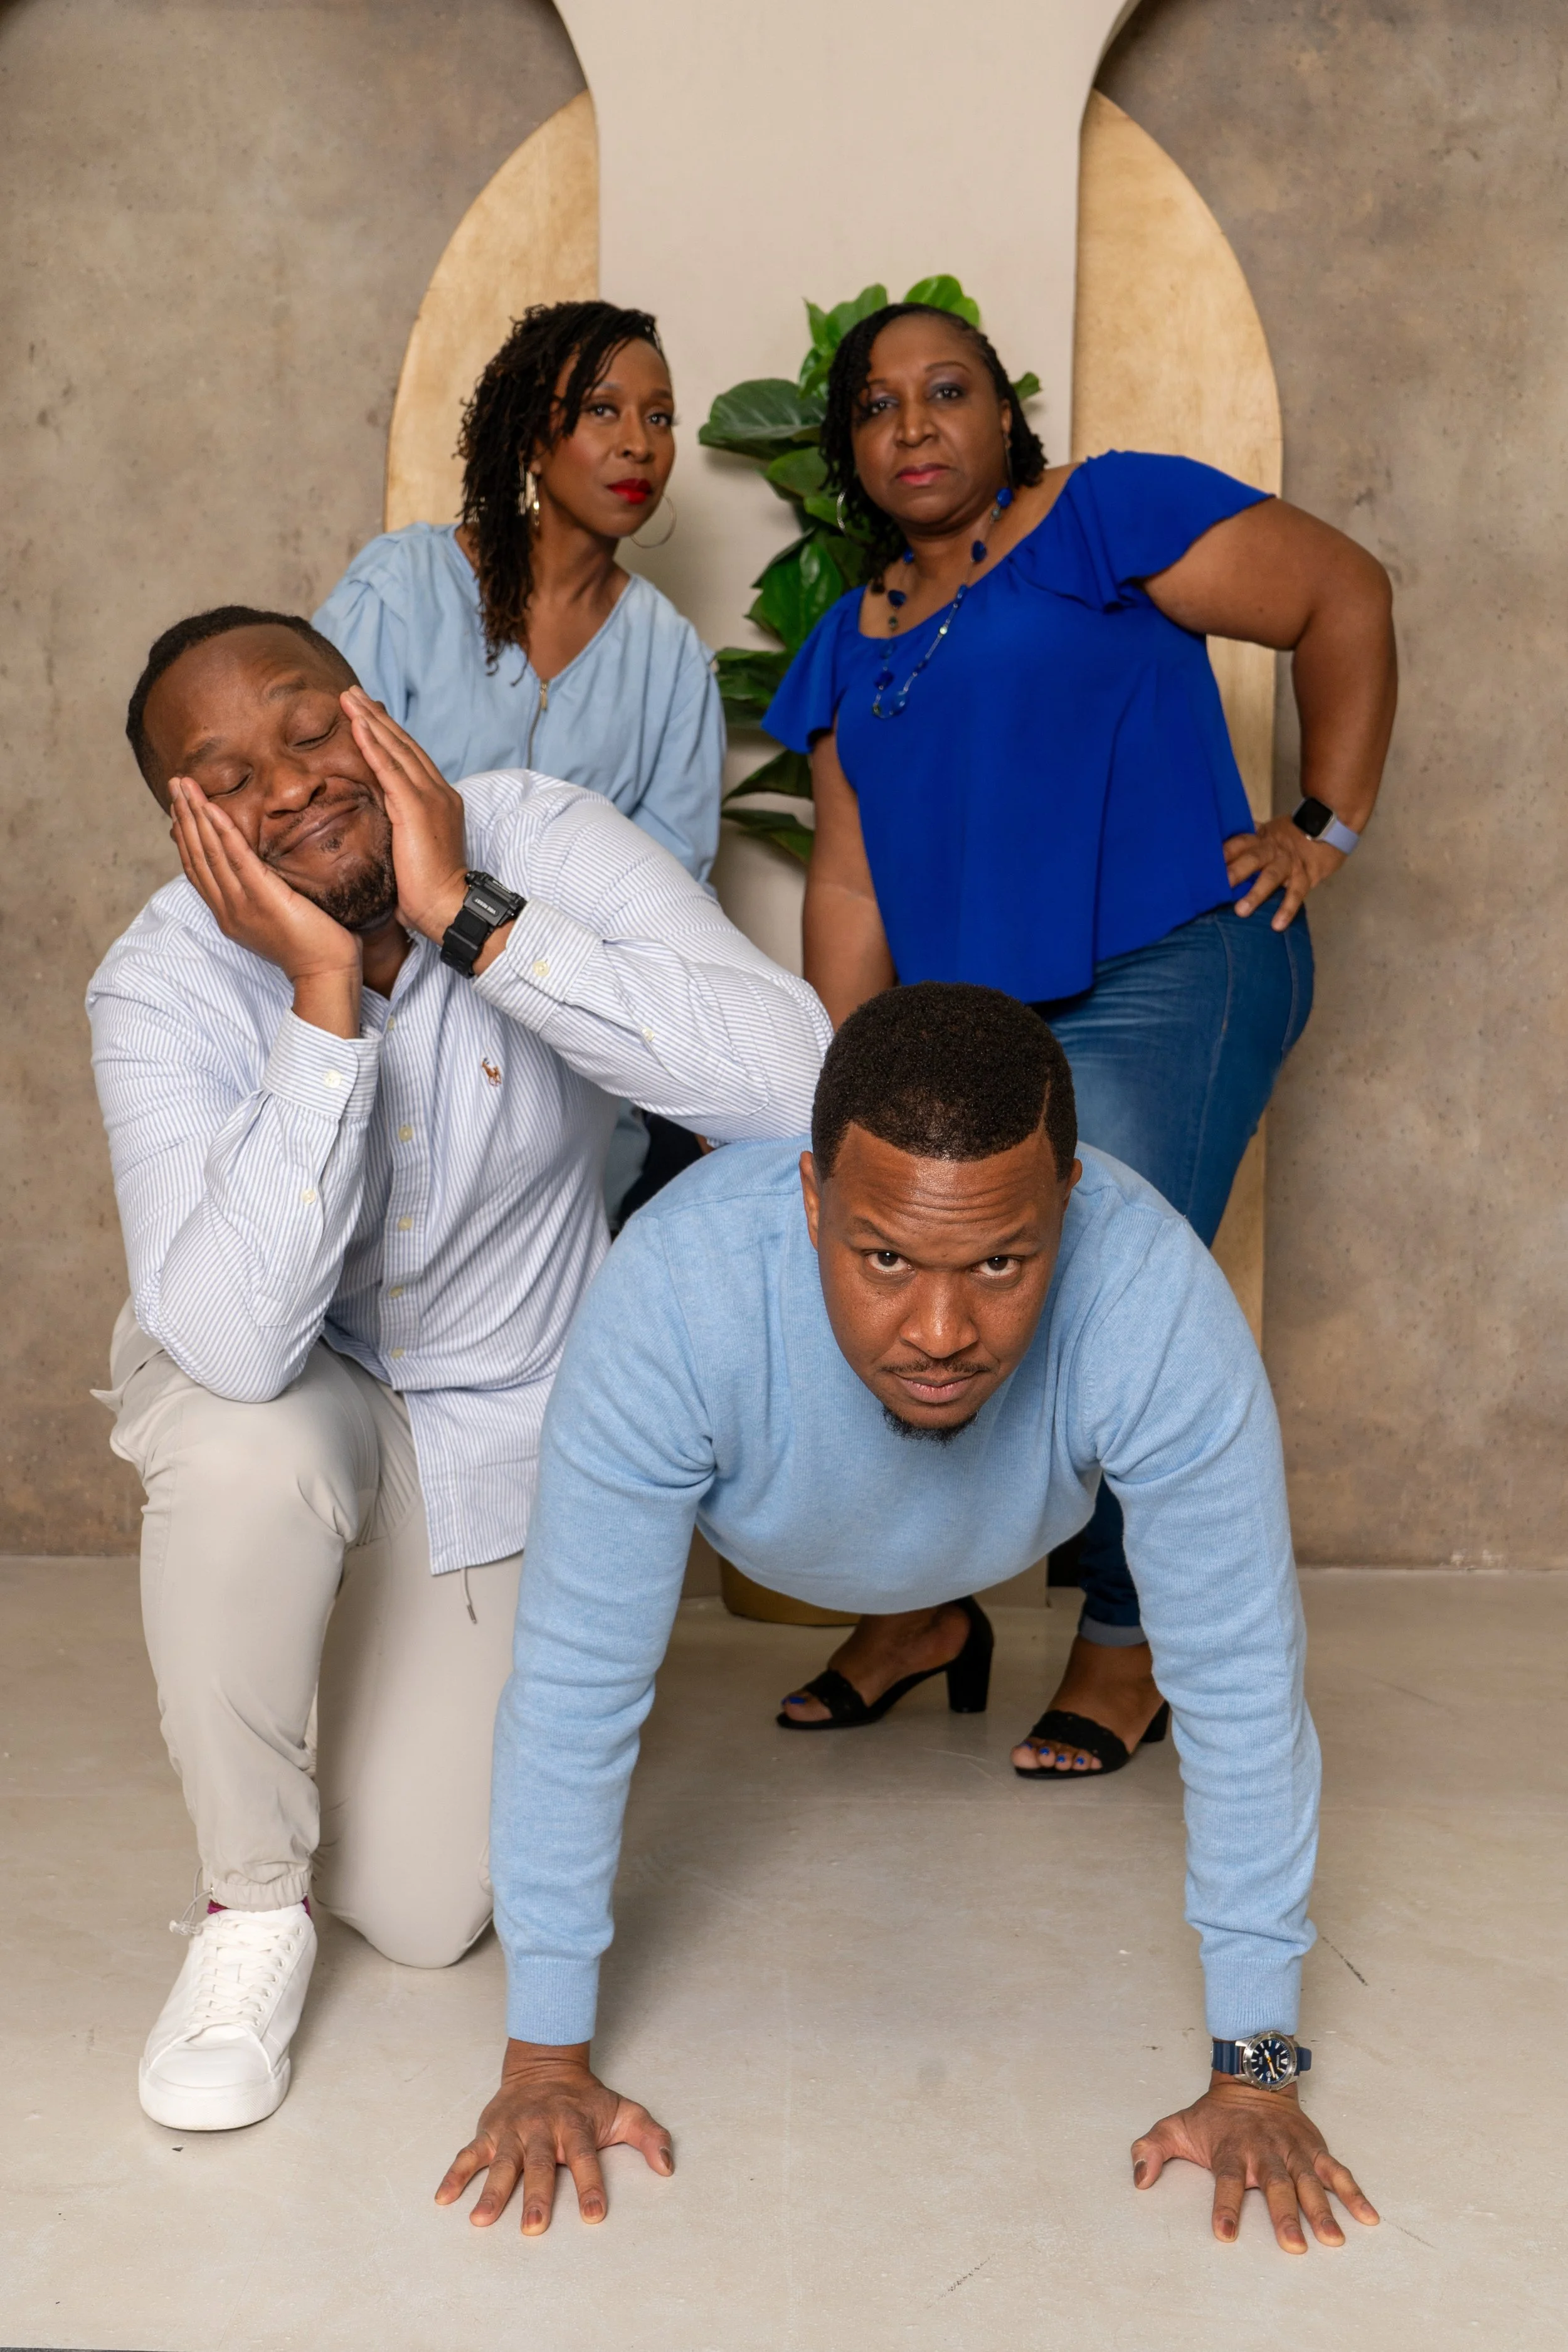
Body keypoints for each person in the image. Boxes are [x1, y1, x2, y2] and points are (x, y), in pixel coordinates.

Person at [443, 985, 1379, 2254]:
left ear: (1068, 1208)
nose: (941, 1334)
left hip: (1003, 1518)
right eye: (884, 1258)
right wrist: (543, 2061)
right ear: (811, 1198)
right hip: (767, 1517)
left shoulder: (1154, 1295)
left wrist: (1256, 2075)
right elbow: (574, 1690)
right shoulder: (673, 1289)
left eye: (1001, 1263)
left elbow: (1241, 1686)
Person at [87, 606, 829, 2134]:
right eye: (227, 779)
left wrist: (466, 916)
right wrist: (321, 1002)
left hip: (500, 1416)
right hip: (296, 1388)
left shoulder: (538, 836)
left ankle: (324, 1670)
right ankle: (249, 1909)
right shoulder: (156, 984)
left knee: (426, 1913)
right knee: (245, 1446)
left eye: (310, 730)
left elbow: (795, 1083)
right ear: (186, 827)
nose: (290, 784)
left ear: (372, 714)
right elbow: (235, 1347)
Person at [763, 300, 1396, 1774]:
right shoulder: (846, 642)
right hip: (978, 1032)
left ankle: (1127, 1637)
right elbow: (849, 885)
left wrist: (1321, 825)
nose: (912, 425)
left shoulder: (1102, 516)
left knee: (1101, 1296)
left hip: (1169, 965)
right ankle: (923, 1610)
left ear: (1005, 414)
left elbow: (1340, 593)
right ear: (849, 449)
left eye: (947, 390)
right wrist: (852, 1090)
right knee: (910, 1285)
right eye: (876, 405)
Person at [314, 299, 723, 1214]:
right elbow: (320, 817)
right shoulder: (403, 590)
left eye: (660, 417)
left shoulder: (670, 659)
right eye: (603, 410)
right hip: (381, 1040)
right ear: (534, 437)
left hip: (569, 1081)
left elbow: (666, 898)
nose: (639, 444)